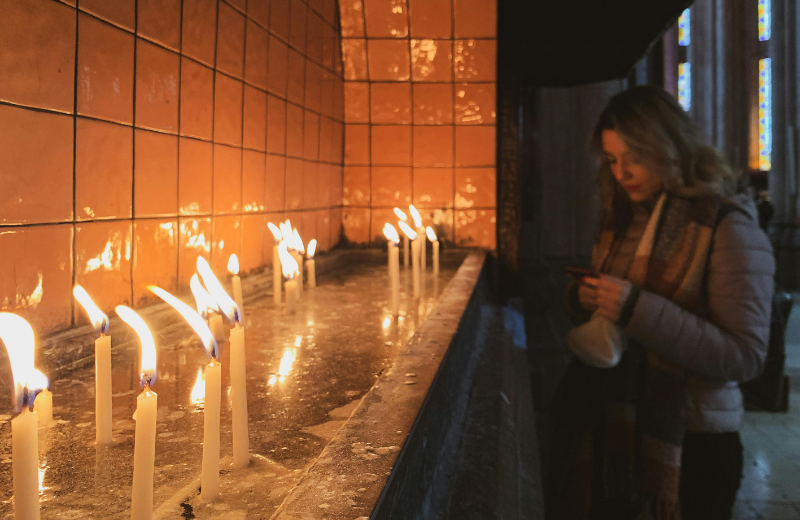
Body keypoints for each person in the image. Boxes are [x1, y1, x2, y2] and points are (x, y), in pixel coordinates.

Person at [546, 86, 775, 520]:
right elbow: (615, 301)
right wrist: (583, 297)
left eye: (634, 156)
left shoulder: (728, 227)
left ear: (670, 146)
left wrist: (636, 310)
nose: (622, 172)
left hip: (695, 443)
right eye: (612, 160)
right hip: (620, 427)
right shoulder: (625, 217)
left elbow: (745, 357)